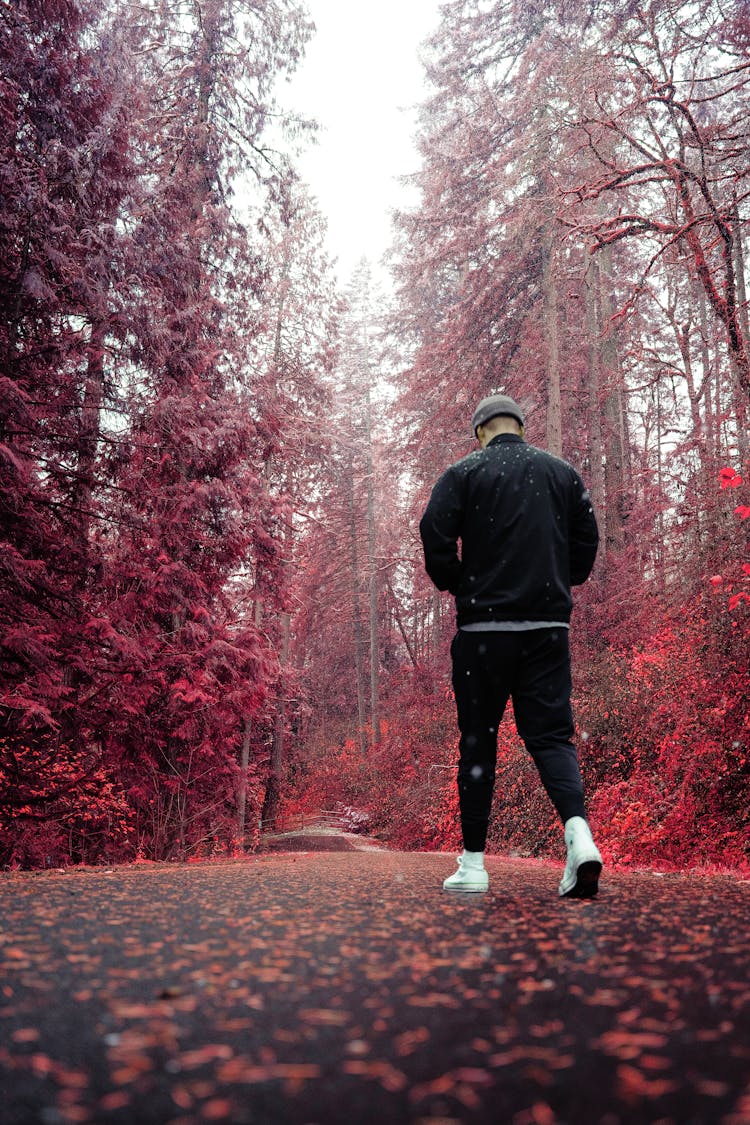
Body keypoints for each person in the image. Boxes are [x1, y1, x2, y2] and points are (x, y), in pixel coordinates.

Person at [419, 393, 603, 898]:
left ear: (480, 431)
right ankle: (579, 834)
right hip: (547, 631)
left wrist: (457, 581)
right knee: (551, 739)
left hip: (484, 635)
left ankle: (474, 866)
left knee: (479, 741)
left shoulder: (464, 474)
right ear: (519, 427)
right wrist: (562, 579)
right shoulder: (561, 473)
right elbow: (587, 537)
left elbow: (433, 533)